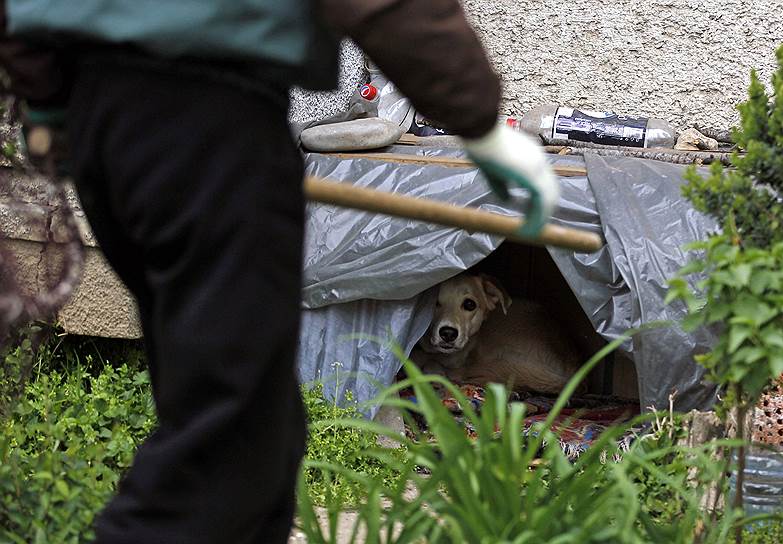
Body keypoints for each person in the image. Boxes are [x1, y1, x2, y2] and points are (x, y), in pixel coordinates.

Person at [0, 1, 560, 542]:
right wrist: (481, 124)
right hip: (210, 115)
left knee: (257, 421)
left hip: (104, 125)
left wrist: (47, 103)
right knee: (231, 435)